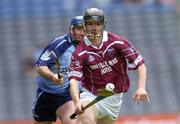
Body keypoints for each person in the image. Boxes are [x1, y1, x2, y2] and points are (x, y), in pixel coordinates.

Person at [69, 8, 149, 124]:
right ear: (85, 26)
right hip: (91, 95)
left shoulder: (118, 43)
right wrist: (76, 102)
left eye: (97, 24)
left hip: (114, 99)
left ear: (103, 25)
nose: (94, 28)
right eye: (90, 24)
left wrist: (141, 88)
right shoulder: (79, 51)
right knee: (85, 121)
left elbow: (140, 65)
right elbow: (73, 81)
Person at [32, 16, 84, 124]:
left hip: (68, 95)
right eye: (78, 28)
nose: (81, 32)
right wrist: (53, 77)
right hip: (47, 94)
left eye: (84, 29)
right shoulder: (59, 44)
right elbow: (40, 67)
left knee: (72, 122)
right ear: (71, 29)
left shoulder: (90, 46)